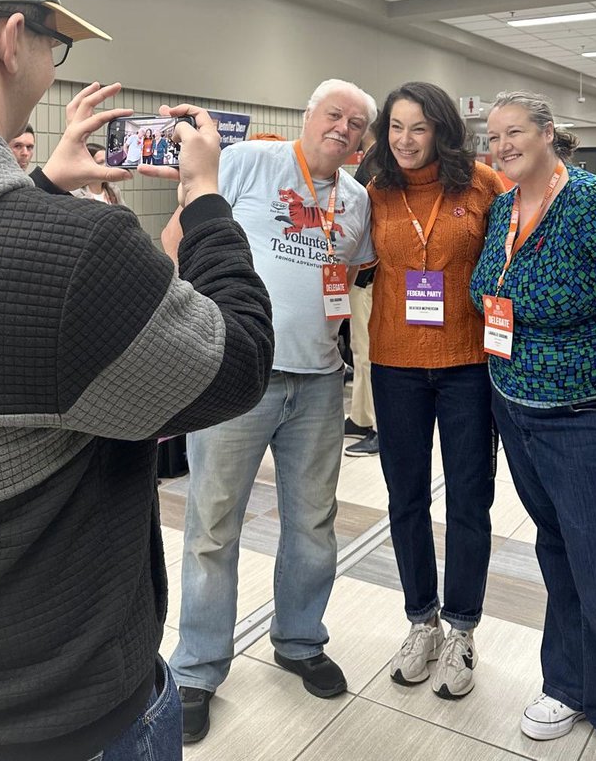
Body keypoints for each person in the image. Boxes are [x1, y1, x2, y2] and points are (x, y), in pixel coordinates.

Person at [0, 0, 273, 761]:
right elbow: (236, 363)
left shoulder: (46, 242)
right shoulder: (76, 260)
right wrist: (205, 200)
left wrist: (38, 191)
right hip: (59, 714)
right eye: (55, 44)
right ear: (10, 41)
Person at [470, 92, 596, 761]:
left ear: (548, 134)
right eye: (492, 136)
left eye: (514, 132)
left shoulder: (591, 203)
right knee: (557, 551)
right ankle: (570, 681)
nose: (501, 145)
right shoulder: (504, 208)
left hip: (593, 413)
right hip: (518, 406)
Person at [167, 79, 376, 743]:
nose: (344, 128)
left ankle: (298, 638)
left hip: (318, 383)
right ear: (308, 118)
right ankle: (197, 668)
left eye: (357, 124)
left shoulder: (357, 199)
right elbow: (181, 234)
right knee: (212, 524)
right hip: (237, 373)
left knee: (313, 523)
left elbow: (344, 277)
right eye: (333, 115)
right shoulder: (251, 161)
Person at [367, 83, 502, 698]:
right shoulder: (375, 192)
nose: (404, 140)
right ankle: (421, 620)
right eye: (395, 127)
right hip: (396, 364)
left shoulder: (481, 184)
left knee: (470, 501)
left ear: (441, 130)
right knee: (405, 498)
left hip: (468, 365)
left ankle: (463, 630)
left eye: (417, 127)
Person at [344, 129, 379, 457]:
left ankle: (378, 425)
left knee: (368, 352)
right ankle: (360, 415)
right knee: (358, 348)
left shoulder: (379, 161)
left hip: (368, 276)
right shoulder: (371, 158)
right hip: (359, 277)